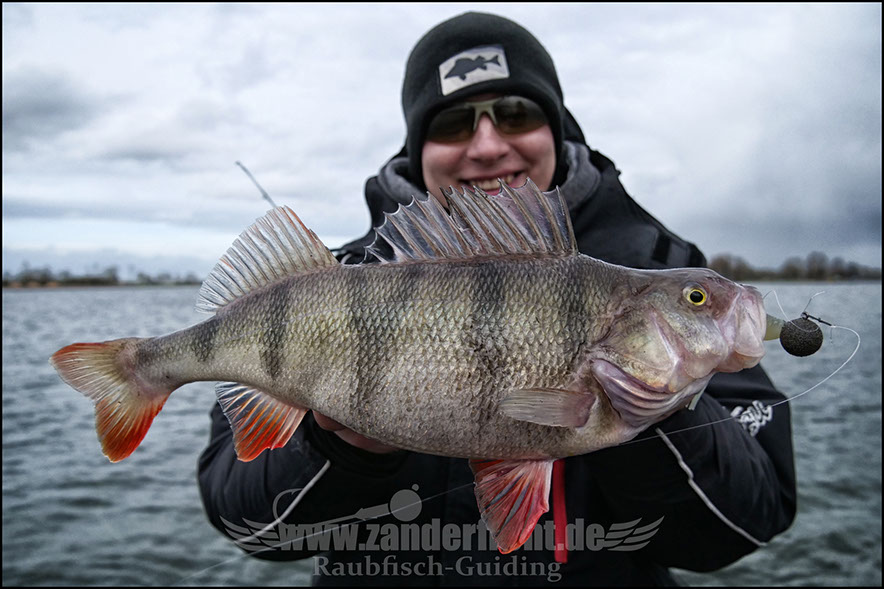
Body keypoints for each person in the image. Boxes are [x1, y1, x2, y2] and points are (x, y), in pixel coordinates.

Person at [199, 12, 796, 585]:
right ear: (417, 146)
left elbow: (748, 523)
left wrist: (649, 410)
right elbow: (251, 528)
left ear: (557, 130)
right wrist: (338, 443)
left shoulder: (655, 268)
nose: (486, 146)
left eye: (514, 114)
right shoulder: (337, 285)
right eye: (454, 123)